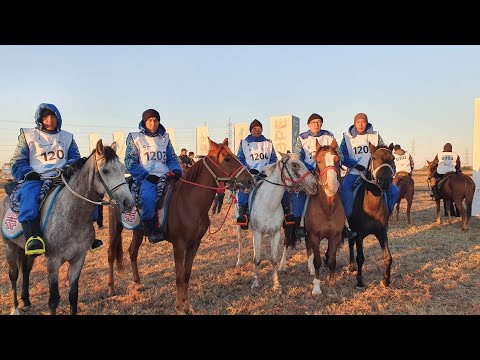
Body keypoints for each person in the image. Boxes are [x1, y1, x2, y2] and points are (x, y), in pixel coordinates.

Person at [10, 103, 102, 255]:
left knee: (87, 194)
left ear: (58, 118)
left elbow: (74, 157)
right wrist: (27, 173)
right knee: (28, 195)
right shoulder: (28, 135)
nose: (50, 120)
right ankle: (33, 236)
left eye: (53, 116)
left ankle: (89, 235)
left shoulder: (67, 137)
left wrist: (69, 168)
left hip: (63, 177)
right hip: (36, 177)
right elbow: (17, 161)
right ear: (40, 119)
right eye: (45, 117)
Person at [125, 108, 182, 243]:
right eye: (150, 120)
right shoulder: (135, 137)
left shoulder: (165, 138)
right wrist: (144, 175)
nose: (153, 123)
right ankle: (151, 230)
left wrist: (176, 169)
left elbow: (171, 158)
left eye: (155, 120)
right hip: (146, 176)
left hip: (166, 174)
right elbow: (130, 161)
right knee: (148, 198)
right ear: (144, 122)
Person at [339, 112, 399, 237]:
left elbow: (384, 151)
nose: (361, 124)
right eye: (358, 122)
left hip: (375, 173)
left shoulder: (375, 136)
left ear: (367, 123)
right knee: (344, 188)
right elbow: (342, 156)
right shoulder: (346, 137)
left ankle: (385, 217)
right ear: (354, 123)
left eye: (363, 122)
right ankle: (348, 222)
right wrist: (355, 164)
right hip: (355, 172)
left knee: (394, 191)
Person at [293, 113, 336, 237]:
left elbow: (337, 154)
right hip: (308, 172)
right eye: (314, 122)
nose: (317, 124)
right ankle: (298, 225)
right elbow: (298, 157)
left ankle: (344, 223)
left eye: (319, 122)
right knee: (298, 194)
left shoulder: (329, 136)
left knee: (340, 191)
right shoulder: (302, 138)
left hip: (326, 172)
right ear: (308, 124)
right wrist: (311, 167)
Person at [236, 119, 279, 228]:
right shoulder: (244, 142)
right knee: (244, 188)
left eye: (259, 128)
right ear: (251, 130)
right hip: (250, 173)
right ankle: (243, 212)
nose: (257, 130)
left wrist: (268, 169)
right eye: (255, 128)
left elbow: (273, 158)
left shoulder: (268, 142)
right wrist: (249, 169)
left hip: (266, 174)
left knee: (280, 187)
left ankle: (287, 212)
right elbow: (240, 159)